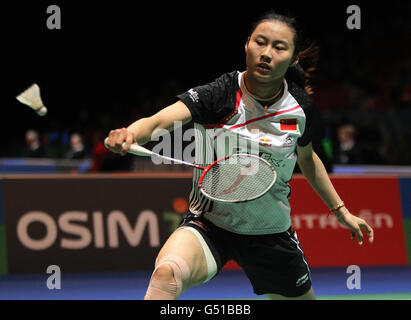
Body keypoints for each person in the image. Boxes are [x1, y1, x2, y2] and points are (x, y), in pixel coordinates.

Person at [106, 11, 374, 300]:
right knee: (167, 274)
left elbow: (307, 158)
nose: (267, 54)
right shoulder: (218, 94)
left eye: (279, 47)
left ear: (294, 57)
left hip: (270, 234)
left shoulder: (301, 108)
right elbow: (158, 122)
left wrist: (341, 211)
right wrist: (130, 134)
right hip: (209, 223)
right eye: (260, 42)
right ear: (247, 45)